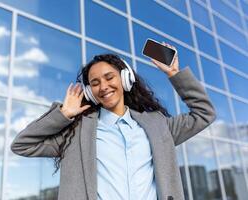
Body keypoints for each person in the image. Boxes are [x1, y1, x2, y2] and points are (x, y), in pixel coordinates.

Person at [11, 43, 216, 200]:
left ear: (125, 79)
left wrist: (174, 74)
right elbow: (22, 145)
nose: (104, 86)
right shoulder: (75, 133)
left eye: (110, 77)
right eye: (95, 83)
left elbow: (204, 113)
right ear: (90, 92)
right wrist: (64, 114)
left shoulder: (159, 126)